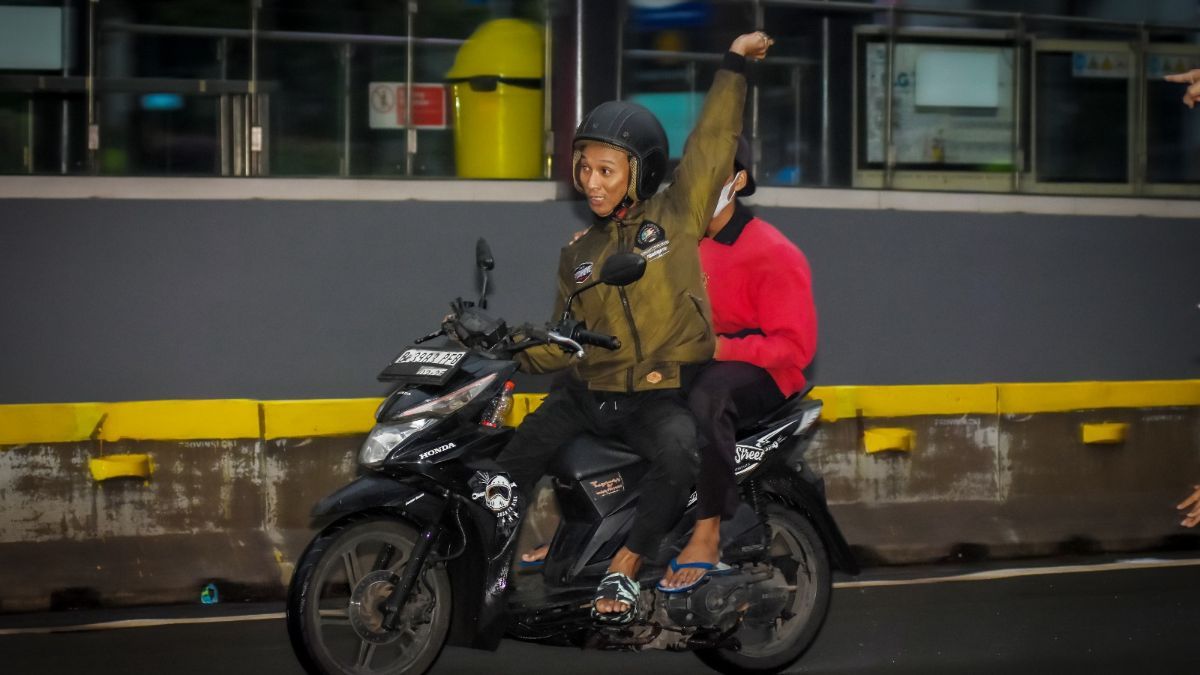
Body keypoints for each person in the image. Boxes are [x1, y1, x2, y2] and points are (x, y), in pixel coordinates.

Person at [495, 31, 774, 624]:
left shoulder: (677, 213)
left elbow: (711, 142)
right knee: (510, 465)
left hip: (656, 392)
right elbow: (564, 338)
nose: (590, 182)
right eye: (583, 167)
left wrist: (734, 66)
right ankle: (491, 573)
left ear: (639, 170)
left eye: (605, 168)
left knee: (679, 453)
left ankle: (624, 566)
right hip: (590, 392)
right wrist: (508, 349)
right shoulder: (580, 253)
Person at [658, 136, 817, 592]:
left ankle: (709, 532)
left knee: (711, 397)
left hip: (764, 371)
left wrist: (722, 349)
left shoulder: (773, 252)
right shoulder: (684, 245)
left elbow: (795, 348)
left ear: (737, 181)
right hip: (704, 359)